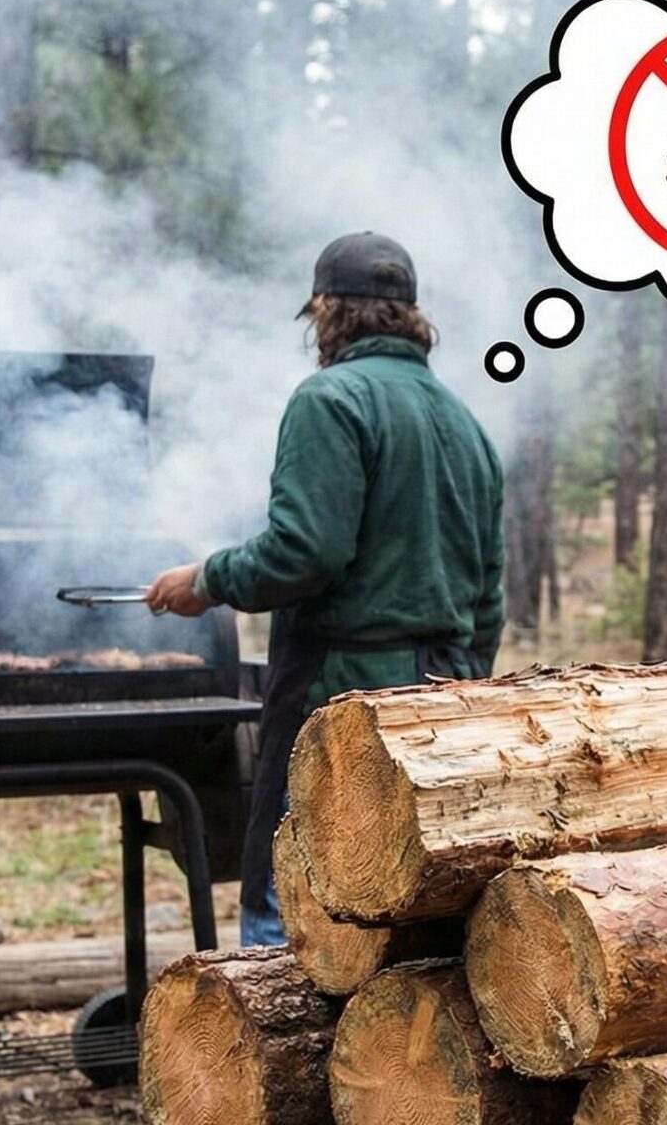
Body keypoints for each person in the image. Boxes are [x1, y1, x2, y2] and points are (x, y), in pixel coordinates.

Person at [144, 232, 506, 946]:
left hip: (338, 700)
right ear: (410, 316)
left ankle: (281, 1051)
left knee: (296, 908)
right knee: (406, 911)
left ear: (325, 311)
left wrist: (208, 579)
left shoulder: (329, 399)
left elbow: (305, 552)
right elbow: (488, 597)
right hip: (445, 699)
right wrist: (465, 688)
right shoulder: (465, 422)